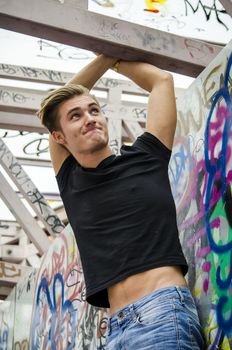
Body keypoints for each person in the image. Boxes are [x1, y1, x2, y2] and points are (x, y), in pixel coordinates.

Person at [37, 54, 205, 349]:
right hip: (115, 331)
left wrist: (116, 60)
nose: (89, 118)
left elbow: (161, 82)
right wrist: (103, 58)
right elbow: (52, 107)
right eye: (76, 116)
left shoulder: (147, 157)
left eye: (94, 110)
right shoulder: (71, 182)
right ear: (59, 137)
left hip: (164, 313)